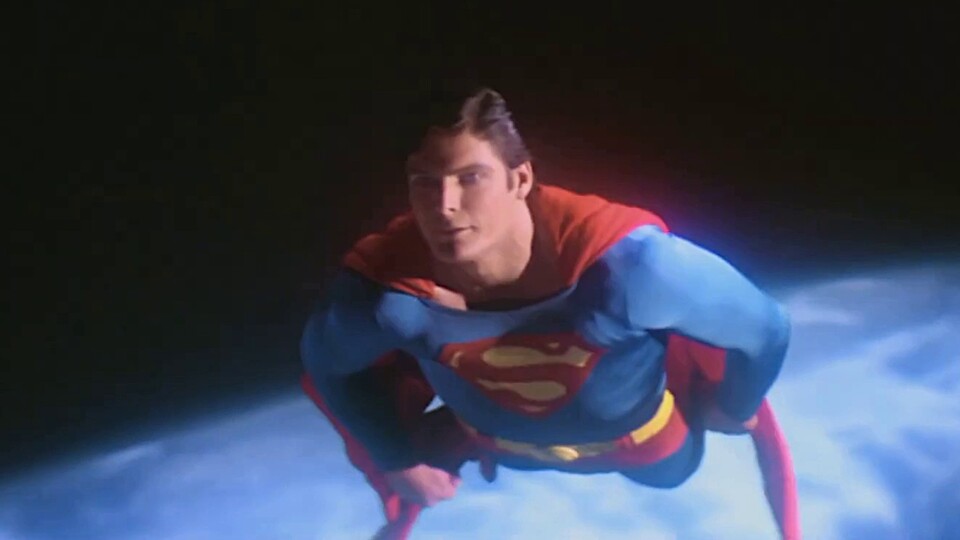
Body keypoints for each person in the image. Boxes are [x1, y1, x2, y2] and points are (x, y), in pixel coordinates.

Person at [300, 85, 800, 539]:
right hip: (499, 444)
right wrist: (397, 459)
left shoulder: (632, 269)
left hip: (648, 446)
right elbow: (327, 366)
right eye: (425, 183)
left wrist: (736, 405)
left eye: (470, 178)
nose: (445, 205)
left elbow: (767, 328)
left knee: (671, 473)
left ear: (519, 179)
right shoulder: (388, 296)